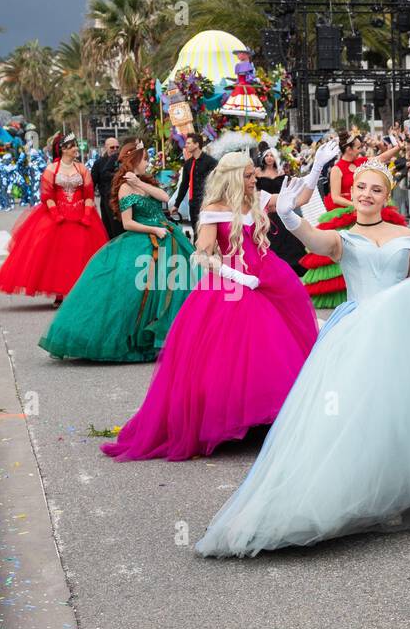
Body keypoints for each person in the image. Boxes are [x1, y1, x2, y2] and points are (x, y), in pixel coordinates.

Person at [195, 151, 410, 556]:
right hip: (360, 335)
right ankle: (354, 494)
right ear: (352, 193)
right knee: (357, 414)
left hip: (406, 332)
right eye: (362, 188)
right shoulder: (343, 238)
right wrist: (290, 211)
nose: (367, 194)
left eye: (376, 189)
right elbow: (309, 236)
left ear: (387, 195)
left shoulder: (404, 236)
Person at [102, 153, 319, 462]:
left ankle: (267, 418)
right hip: (231, 281)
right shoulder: (214, 210)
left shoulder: (257, 198)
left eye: (252, 174)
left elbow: (300, 199)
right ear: (231, 178)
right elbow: (202, 256)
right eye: (246, 175)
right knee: (231, 354)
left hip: (268, 277)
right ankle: (230, 420)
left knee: (270, 349)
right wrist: (238, 276)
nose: (253, 179)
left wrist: (318, 169)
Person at [39, 138, 199, 362]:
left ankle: (184, 336)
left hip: (168, 235)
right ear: (134, 160)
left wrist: (140, 182)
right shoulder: (123, 187)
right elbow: (128, 223)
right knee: (142, 290)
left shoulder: (143, 181)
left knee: (180, 284)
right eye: (145, 159)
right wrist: (153, 228)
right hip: (144, 238)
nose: (148, 162)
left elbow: (164, 198)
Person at [0, 134, 107, 302]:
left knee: (80, 255)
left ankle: (78, 293)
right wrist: (55, 214)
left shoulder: (82, 169)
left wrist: (88, 214)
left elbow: (88, 193)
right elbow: (47, 195)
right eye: (73, 146)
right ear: (64, 149)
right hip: (57, 216)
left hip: (81, 216)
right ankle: (59, 294)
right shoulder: (52, 169)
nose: (76, 149)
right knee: (58, 257)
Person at [299, 131, 404, 308]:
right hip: (347, 211)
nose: (360, 149)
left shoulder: (362, 163)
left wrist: (397, 148)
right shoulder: (337, 169)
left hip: (364, 208)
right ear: (348, 149)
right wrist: (355, 203)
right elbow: (335, 196)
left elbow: (381, 158)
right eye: (357, 147)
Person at [171, 132, 217, 235]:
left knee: (205, 231)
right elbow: (184, 185)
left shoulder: (211, 162)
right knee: (195, 230)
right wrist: (176, 204)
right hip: (193, 204)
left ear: (196, 144)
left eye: (188, 143)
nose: (185, 145)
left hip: (207, 203)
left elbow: (217, 182)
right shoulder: (188, 163)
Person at [90, 135, 122, 238]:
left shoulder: (122, 161)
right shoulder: (99, 163)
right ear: (106, 148)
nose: (115, 150)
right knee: (109, 231)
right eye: (112, 147)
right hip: (106, 202)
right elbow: (92, 183)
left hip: (122, 201)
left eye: (117, 147)